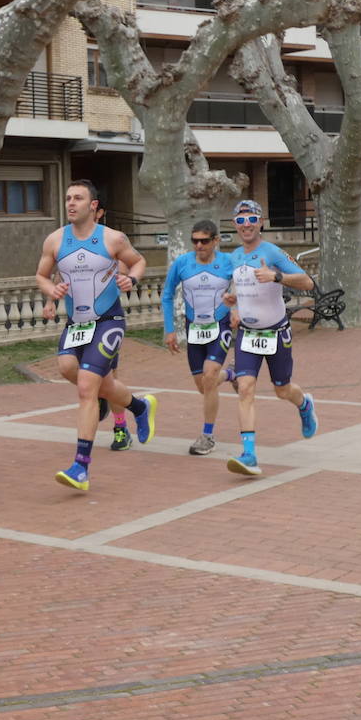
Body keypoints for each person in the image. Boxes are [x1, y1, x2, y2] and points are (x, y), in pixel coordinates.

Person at [36, 180, 156, 492]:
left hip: (108, 320)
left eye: (78, 198)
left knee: (88, 387)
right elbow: (41, 275)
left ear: (93, 205)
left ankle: (80, 467)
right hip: (76, 323)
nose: (70, 203)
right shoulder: (55, 240)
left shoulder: (113, 238)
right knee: (69, 370)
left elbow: (139, 261)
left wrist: (132, 278)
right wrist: (52, 291)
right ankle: (139, 407)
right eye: (67, 198)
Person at [222, 199, 319, 477]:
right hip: (247, 335)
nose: (246, 225)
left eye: (251, 219)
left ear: (261, 222)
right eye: (240, 221)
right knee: (245, 388)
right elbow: (238, 289)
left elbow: (308, 283)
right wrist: (234, 303)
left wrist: (277, 276)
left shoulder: (273, 251)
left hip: (276, 333)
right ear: (235, 226)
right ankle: (249, 454)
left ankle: (304, 404)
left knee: (282, 389)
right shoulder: (234, 257)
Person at [161, 219, 238, 456]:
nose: (199, 245)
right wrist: (169, 329)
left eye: (204, 241)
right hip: (194, 328)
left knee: (209, 374)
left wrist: (237, 308)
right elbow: (166, 295)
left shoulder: (228, 262)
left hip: (221, 325)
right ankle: (231, 374)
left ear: (216, 241)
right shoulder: (182, 263)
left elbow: (243, 287)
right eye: (195, 241)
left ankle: (207, 436)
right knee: (203, 385)